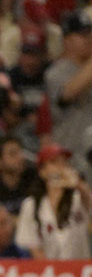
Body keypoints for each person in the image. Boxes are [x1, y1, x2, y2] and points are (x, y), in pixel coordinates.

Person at [15, 143, 92, 259]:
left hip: (80, 270)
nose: (60, 167)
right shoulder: (31, 204)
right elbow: (34, 248)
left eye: (64, 162)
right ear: (42, 171)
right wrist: (54, 273)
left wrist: (77, 184)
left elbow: (88, 200)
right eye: (54, 162)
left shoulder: (78, 197)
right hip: (52, 271)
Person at [44, 10, 92, 184]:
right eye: (82, 34)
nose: (88, 39)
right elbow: (69, 93)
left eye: (90, 33)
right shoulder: (55, 73)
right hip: (70, 159)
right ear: (67, 40)